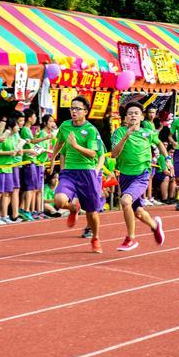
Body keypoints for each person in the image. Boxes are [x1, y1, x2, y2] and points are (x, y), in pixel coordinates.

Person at [50, 96, 106, 253]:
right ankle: (73, 208)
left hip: (87, 172)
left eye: (77, 109)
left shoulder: (91, 130)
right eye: (72, 108)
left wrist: (76, 146)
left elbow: (93, 154)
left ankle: (95, 238)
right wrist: (53, 157)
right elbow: (60, 142)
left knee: (91, 211)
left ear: (85, 111)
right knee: (59, 200)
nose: (73, 111)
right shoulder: (65, 126)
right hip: (69, 171)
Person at [110, 102, 166, 251]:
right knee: (138, 212)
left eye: (136, 113)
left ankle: (130, 239)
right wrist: (126, 136)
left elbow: (160, 144)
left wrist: (167, 160)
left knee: (125, 201)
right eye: (130, 113)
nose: (133, 115)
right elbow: (114, 154)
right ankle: (155, 226)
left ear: (142, 117)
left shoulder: (147, 133)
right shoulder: (119, 132)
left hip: (142, 175)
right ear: (125, 118)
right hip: (125, 176)